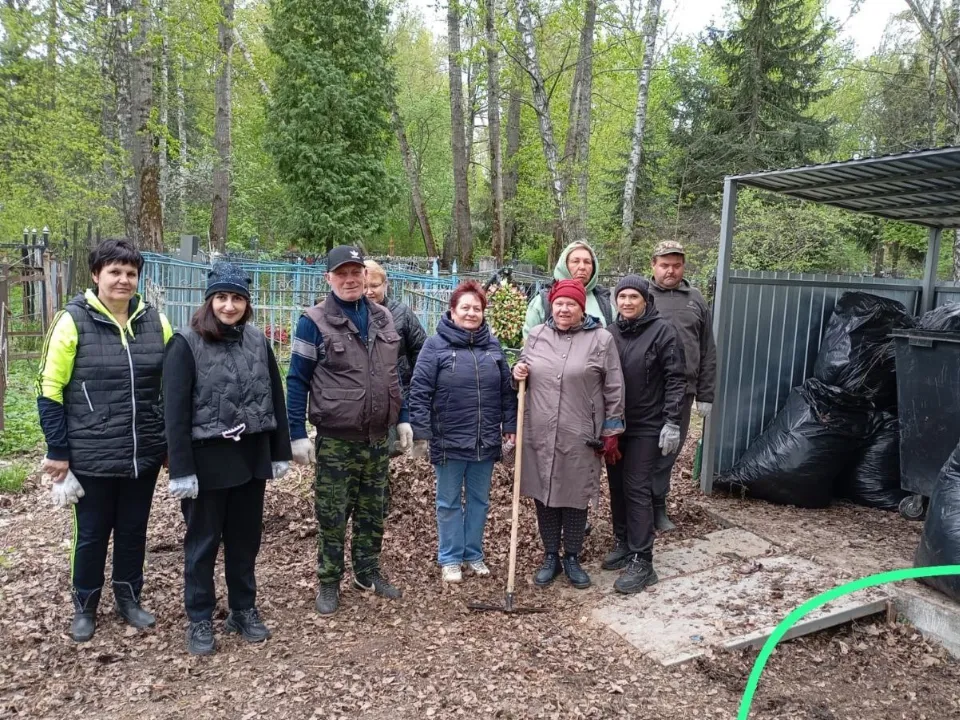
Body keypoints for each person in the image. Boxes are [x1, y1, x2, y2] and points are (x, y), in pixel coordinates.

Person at [36, 238, 172, 642]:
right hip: (91, 452)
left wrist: (166, 443)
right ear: (96, 276)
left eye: (131, 273)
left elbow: (170, 386)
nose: (124, 280)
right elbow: (49, 388)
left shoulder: (155, 322)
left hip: (141, 453)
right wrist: (58, 450)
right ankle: (85, 605)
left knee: (133, 530)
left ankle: (129, 598)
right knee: (92, 533)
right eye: (114, 272)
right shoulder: (71, 320)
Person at [163, 263, 292, 656]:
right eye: (222, 297)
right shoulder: (186, 343)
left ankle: (243, 608)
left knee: (244, 541)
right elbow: (175, 411)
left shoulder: (256, 341)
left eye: (237, 298)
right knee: (203, 543)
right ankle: (200, 616)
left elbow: (276, 396)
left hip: (250, 457)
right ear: (210, 300)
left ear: (246, 303)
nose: (230, 305)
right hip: (208, 460)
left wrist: (278, 451)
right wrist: (181, 467)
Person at [286, 245, 410, 615]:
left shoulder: (384, 318)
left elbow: (391, 375)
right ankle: (328, 580)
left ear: (366, 276)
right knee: (333, 514)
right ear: (329, 278)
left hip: (377, 439)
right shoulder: (314, 320)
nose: (351, 279)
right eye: (342, 273)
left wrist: (402, 417)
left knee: (374, 511)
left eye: (356, 272)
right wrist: (296, 433)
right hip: (337, 440)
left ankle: (367, 571)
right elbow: (296, 380)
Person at [512, 279, 624, 590]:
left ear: (580, 308)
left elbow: (614, 385)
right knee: (544, 493)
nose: (564, 309)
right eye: (559, 303)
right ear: (552, 305)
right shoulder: (537, 336)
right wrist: (517, 371)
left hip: (580, 432)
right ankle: (551, 556)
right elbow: (524, 371)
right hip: (540, 429)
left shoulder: (600, 339)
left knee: (575, 495)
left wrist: (612, 429)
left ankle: (572, 556)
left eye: (571, 304)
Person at [408, 280, 518, 583]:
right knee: (449, 501)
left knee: (480, 500)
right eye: (465, 308)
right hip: (448, 438)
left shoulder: (492, 346)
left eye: (477, 308)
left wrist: (510, 425)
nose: (471, 313)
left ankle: (473, 554)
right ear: (452, 311)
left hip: (484, 439)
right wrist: (421, 432)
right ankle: (450, 557)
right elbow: (419, 390)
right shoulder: (435, 346)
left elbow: (507, 391)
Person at [602, 275, 687, 594]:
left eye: (632, 297)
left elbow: (676, 377)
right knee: (616, 486)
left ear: (645, 300)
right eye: (621, 297)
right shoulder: (610, 333)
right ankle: (623, 541)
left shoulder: (663, 332)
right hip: (616, 426)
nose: (626, 302)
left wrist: (672, 421)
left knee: (636, 487)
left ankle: (643, 560)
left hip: (648, 426)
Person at [647, 241, 718, 531]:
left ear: (683, 267)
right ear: (653, 265)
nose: (670, 270)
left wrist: (706, 392)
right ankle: (638, 509)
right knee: (644, 449)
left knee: (669, 451)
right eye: (664, 265)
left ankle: (658, 507)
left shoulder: (696, 299)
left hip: (684, 393)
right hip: (648, 390)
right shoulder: (642, 296)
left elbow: (707, 349)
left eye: (676, 265)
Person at [363, 260, 426, 456]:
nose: (369, 292)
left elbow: (421, 353)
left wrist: (418, 388)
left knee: (393, 452)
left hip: (399, 396)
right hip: (362, 401)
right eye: (364, 286)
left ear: (385, 285)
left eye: (374, 286)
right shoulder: (352, 314)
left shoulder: (402, 313)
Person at [521, 240, 614, 339]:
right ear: (564, 265)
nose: (582, 267)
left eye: (587, 262)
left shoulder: (604, 303)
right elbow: (529, 344)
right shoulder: (543, 302)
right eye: (575, 261)